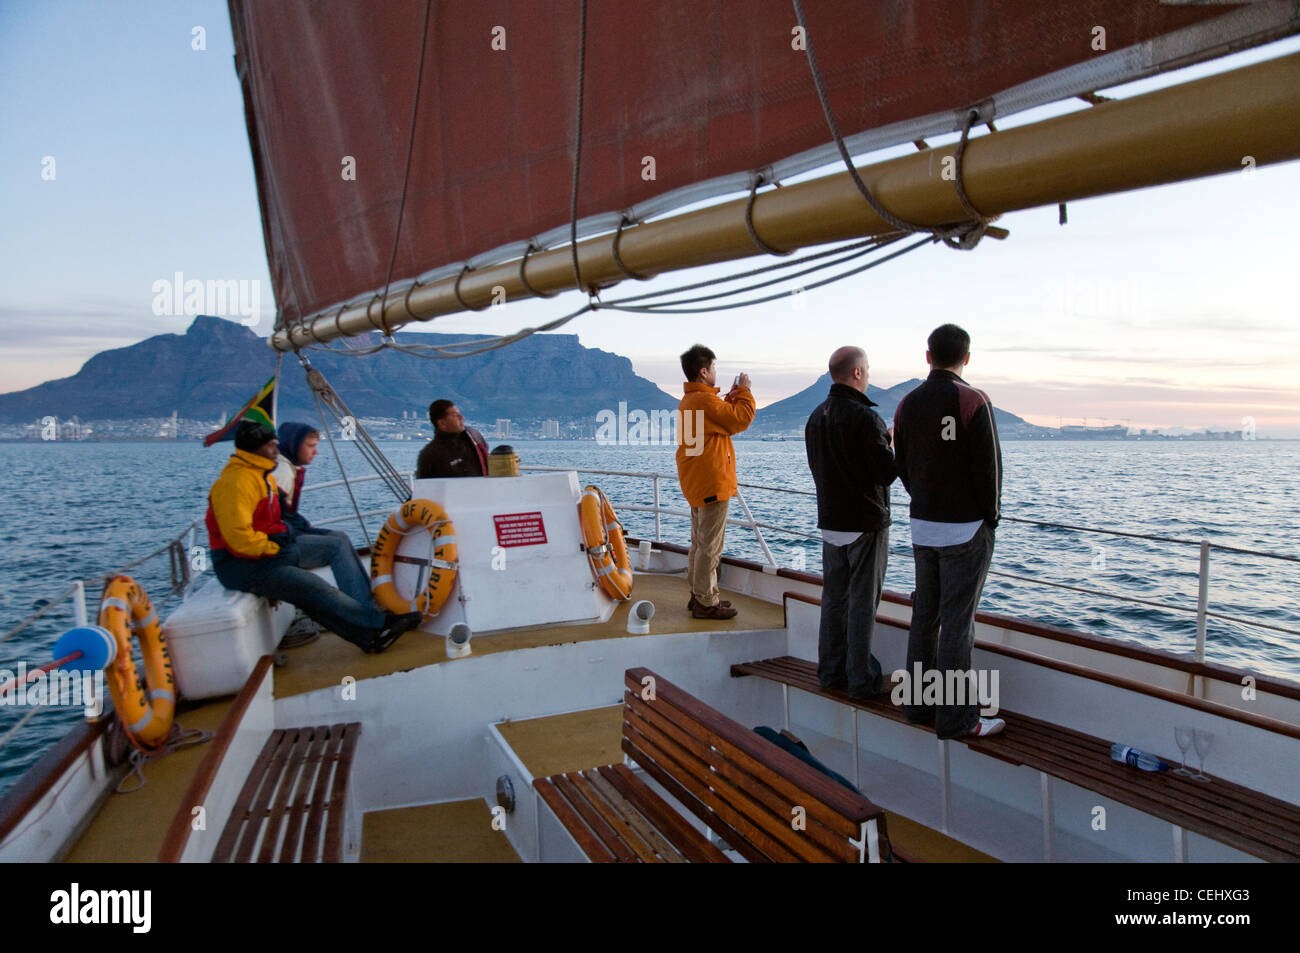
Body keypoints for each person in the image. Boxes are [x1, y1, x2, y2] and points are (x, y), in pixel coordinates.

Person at [207, 421, 422, 654]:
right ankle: (377, 624)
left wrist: (284, 536)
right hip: (240, 565)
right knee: (311, 588)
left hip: (263, 555)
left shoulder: (262, 477)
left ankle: (367, 638)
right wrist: (276, 549)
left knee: (310, 587)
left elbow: (272, 521)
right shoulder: (236, 483)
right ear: (254, 448)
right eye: (271, 446)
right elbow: (239, 540)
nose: (276, 451)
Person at [893, 324, 1005, 738]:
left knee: (924, 616)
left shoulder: (906, 404)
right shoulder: (973, 400)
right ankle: (957, 718)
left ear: (928, 356)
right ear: (967, 358)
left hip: (922, 525)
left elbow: (901, 463)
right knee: (957, 623)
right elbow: (990, 469)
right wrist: (990, 518)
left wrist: (923, 499)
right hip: (965, 528)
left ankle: (917, 705)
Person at [804, 346, 896, 699]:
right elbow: (885, 473)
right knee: (862, 603)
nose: (869, 375)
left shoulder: (816, 416)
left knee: (834, 600)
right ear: (857, 373)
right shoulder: (866, 418)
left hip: (830, 521)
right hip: (865, 522)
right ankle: (861, 680)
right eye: (867, 370)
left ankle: (830, 672)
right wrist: (892, 442)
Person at [271, 422, 382, 631]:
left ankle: (367, 606)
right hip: (276, 546)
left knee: (340, 537)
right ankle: (365, 616)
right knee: (336, 547)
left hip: (283, 536)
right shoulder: (282, 472)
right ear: (294, 445)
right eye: (310, 446)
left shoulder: (288, 467)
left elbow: (283, 515)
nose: (315, 452)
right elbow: (272, 518)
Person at [675, 344, 755, 620]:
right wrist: (744, 392)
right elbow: (739, 419)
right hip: (711, 483)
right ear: (704, 371)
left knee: (699, 544)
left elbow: (719, 417)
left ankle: (699, 594)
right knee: (709, 546)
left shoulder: (691, 401)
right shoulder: (704, 402)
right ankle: (706, 602)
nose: (715, 373)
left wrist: (731, 396)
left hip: (698, 483)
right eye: (713, 368)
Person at [416, 400, 489, 479]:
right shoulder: (429, 455)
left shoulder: (474, 436)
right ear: (442, 423)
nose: (461, 417)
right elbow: (424, 484)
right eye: (455, 415)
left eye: (459, 414)